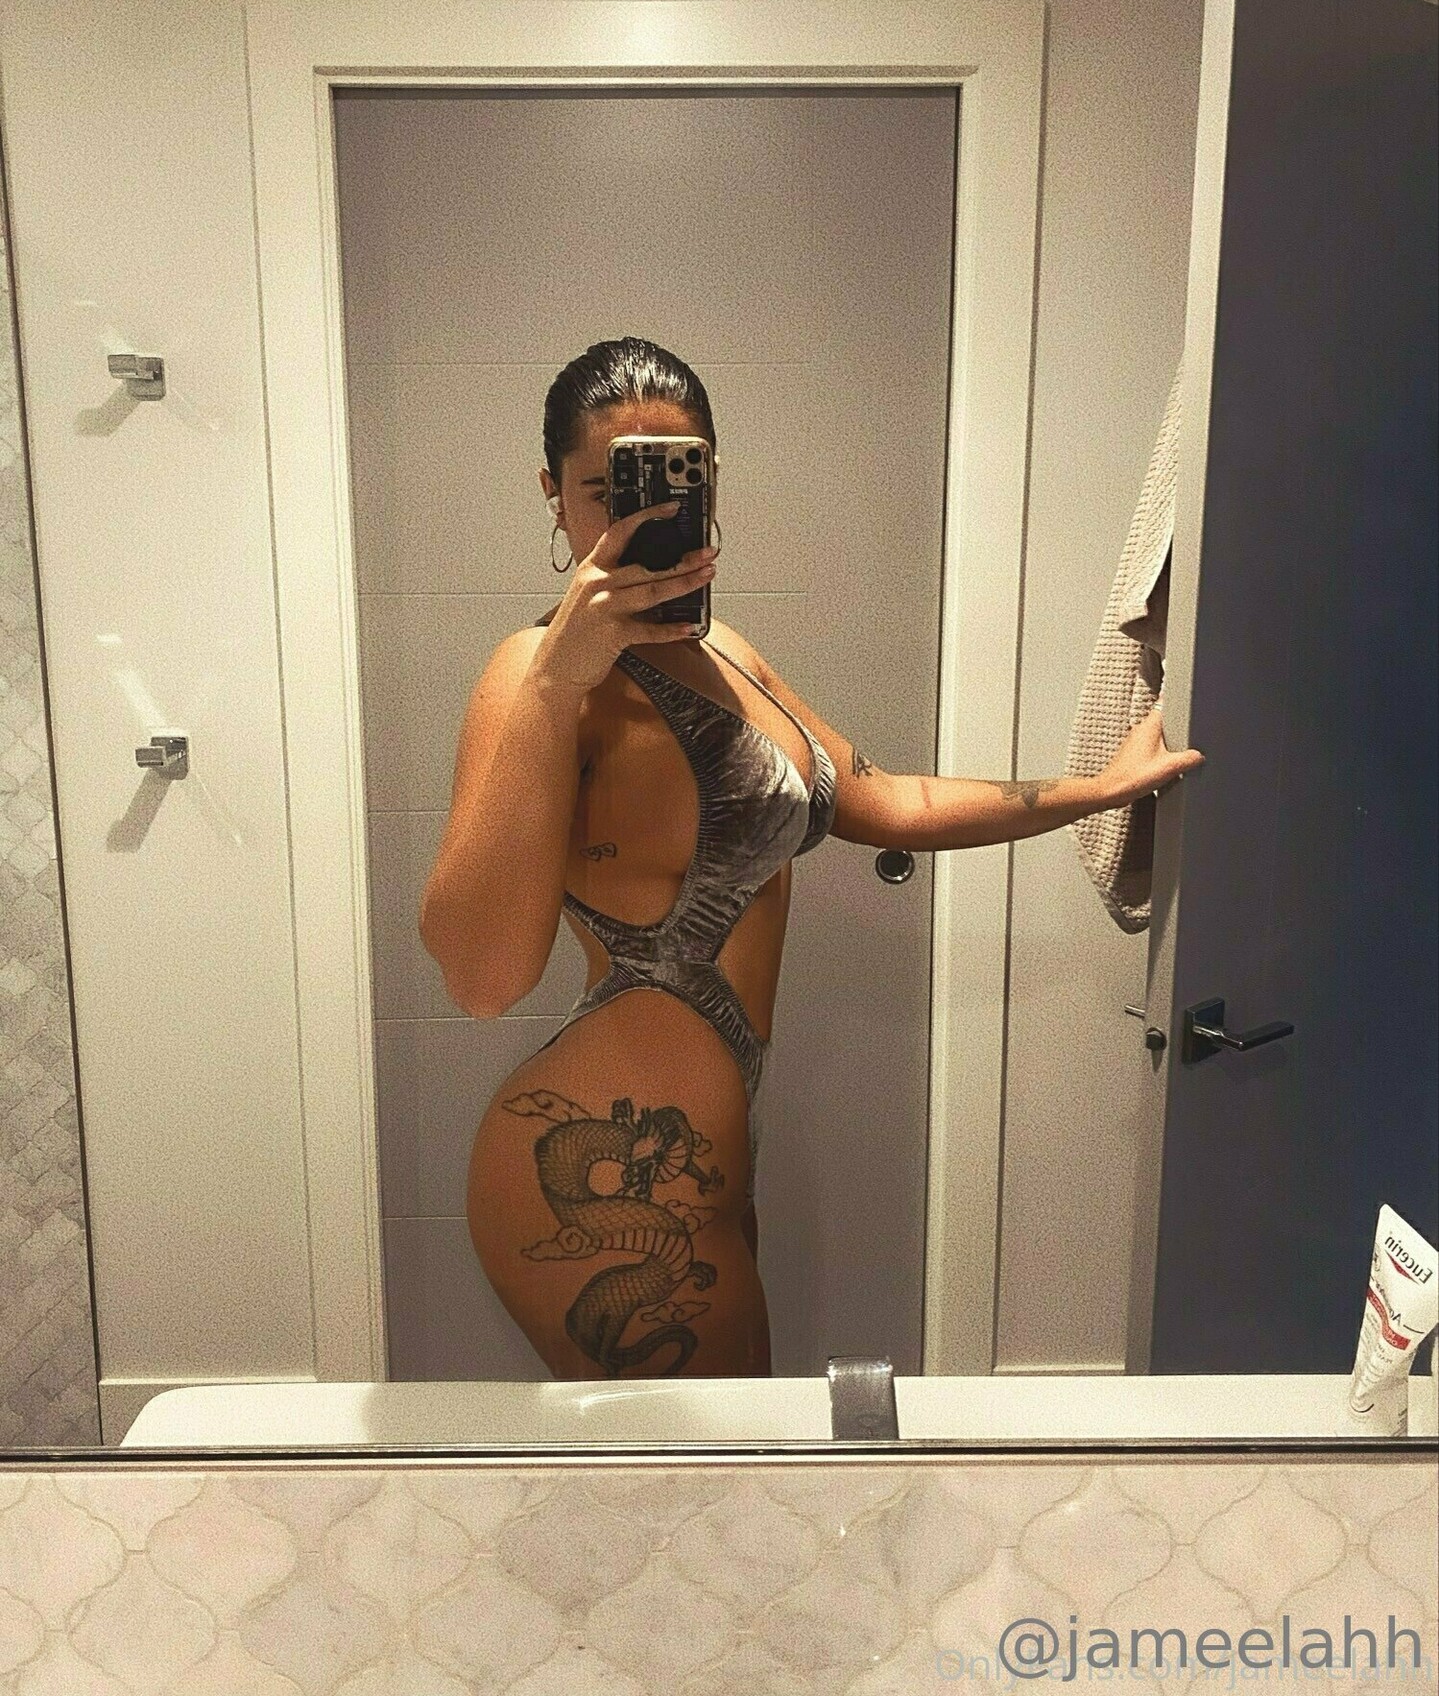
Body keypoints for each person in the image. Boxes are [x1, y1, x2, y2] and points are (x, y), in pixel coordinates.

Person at [419, 338, 1205, 1380]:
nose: (634, 520)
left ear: (709, 484)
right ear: (553, 498)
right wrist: (560, 682)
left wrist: (1095, 790)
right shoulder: (531, 672)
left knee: (732, 1468)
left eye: (669, 483)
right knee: (705, 1478)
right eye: (605, 491)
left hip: (699, 1165)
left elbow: (885, 800)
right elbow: (479, 978)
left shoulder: (728, 656)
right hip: (599, 1182)